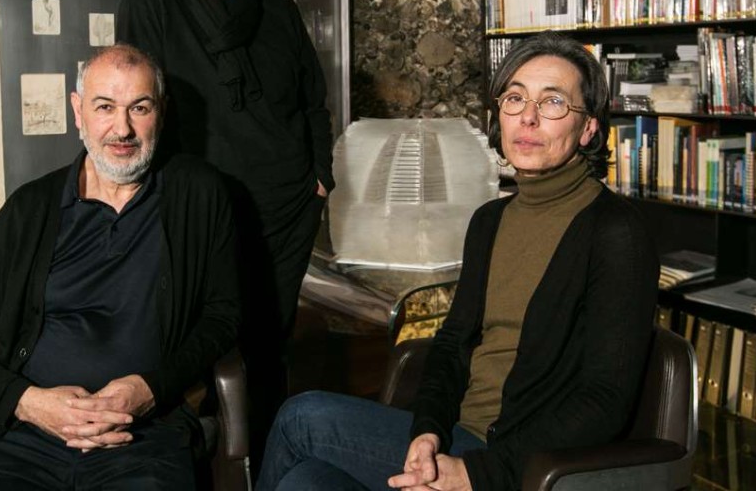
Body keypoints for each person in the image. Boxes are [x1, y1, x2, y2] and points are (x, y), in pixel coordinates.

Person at [256, 33, 660, 491]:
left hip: (518, 462)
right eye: (515, 98)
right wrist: (426, 433)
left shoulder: (616, 232)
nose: (527, 117)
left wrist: (474, 473)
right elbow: (451, 344)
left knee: (300, 417)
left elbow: (604, 401)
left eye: (552, 102)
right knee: (305, 481)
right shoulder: (491, 220)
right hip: (455, 437)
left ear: (588, 129)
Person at [0, 45, 240, 490]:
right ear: (78, 111)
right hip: (21, 436)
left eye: (140, 108)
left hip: (143, 437)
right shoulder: (30, 209)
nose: (122, 129)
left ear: (161, 113)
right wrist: (27, 402)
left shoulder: (199, 195)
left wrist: (151, 388)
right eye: (105, 107)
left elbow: (224, 316)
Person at [116, 0, 334, 463]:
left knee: (269, 339)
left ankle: (265, 455)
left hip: (286, 204)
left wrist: (321, 177)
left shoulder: (278, 8)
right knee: (197, 335)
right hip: (200, 203)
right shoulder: (150, 0)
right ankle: (191, 449)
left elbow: (313, 99)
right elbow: (142, 103)